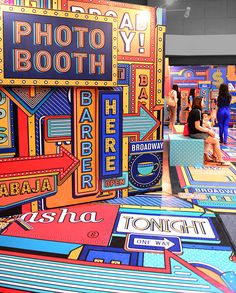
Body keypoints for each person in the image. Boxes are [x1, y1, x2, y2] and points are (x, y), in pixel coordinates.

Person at [188, 96, 229, 165]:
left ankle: (209, 156)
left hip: (194, 132)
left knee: (214, 138)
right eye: (203, 101)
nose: (204, 103)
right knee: (215, 141)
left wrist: (208, 130)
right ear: (199, 102)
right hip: (195, 133)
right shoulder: (197, 112)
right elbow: (197, 127)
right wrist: (208, 131)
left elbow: (199, 124)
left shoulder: (196, 111)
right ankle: (220, 160)